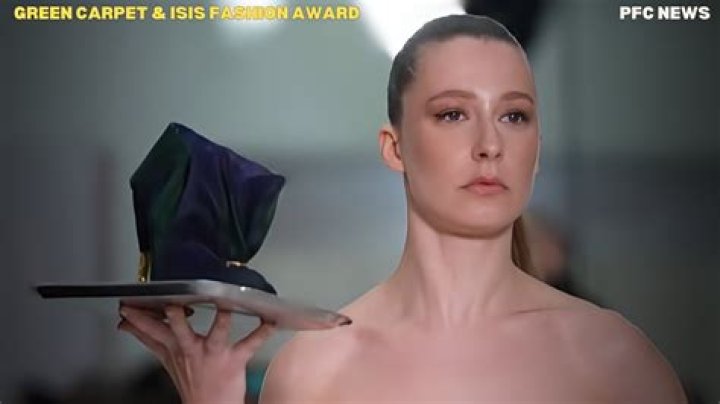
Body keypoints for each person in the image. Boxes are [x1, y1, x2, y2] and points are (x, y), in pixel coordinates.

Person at [117, 14, 687, 403]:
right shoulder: (315, 371)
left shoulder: (613, 359)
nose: (490, 144)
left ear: (535, 151)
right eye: (452, 114)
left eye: (514, 116)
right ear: (395, 148)